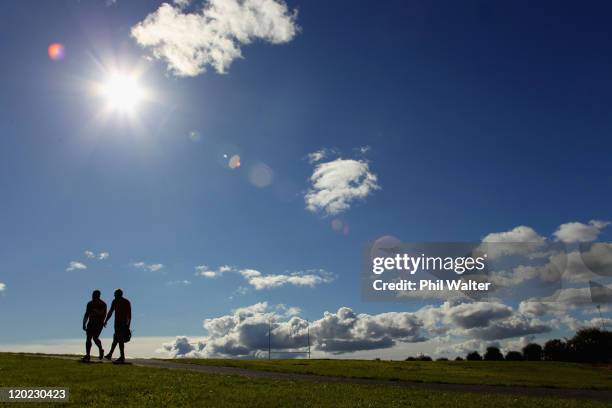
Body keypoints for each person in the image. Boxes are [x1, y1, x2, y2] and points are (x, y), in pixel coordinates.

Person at [103, 288, 131, 363]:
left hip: (123, 323)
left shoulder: (126, 302)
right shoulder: (115, 301)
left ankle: (122, 357)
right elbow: (111, 312)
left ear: (119, 294)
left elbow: (129, 315)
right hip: (117, 323)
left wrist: (127, 326)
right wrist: (106, 320)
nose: (114, 295)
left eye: (115, 294)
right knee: (115, 339)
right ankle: (110, 354)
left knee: (120, 340)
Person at [82, 290, 107, 362]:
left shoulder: (103, 304)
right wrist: (84, 323)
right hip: (91, 323)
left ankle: (100, 349)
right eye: (93, 294)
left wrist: (96, 312)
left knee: (95, 338)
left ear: (98, 295)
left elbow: (103, 314)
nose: (93, 296)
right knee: (88, 338)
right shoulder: (90, 303)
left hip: (99, 323)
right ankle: (87, 355)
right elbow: (86, 314)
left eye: (95, 295)